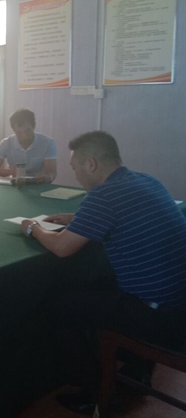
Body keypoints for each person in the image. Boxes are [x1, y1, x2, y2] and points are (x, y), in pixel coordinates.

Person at [20, 131, 186, 414]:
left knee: (57, 307)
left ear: (92, 164)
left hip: (162, 318)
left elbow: (61, 247)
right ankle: (137, 372)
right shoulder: (147, 180)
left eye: (75, 168)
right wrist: (78, 218)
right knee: (100, 284)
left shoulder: (104, 194)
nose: (76, 176)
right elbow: (127, 214)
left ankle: (96, 393)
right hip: (178, 301)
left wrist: (31, 227)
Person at [0, 108, 57, 183]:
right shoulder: (6, 143)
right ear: (14, 130)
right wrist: (11, 171)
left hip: (39, 184)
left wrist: (48, 177)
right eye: (19, 133)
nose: (24, 136)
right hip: (17, 184)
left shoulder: (48, 143)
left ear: (34, 126)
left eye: (27, 131)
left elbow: (52, 172)